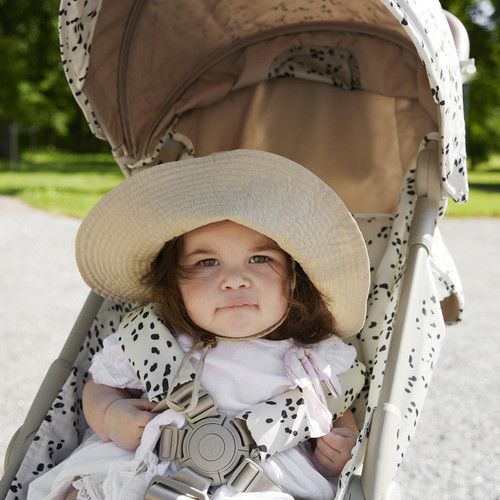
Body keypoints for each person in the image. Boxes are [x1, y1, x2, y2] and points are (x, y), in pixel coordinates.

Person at [28, 149, 370, 500]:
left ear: (294, 278)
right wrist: (112, 416)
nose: (235, 279)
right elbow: (100, 389)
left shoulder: (312, 356)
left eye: (259, 258)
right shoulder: (156, 340)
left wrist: (339, 451)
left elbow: (332, 413)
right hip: (149, 464)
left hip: (259, 482)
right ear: (173, 282)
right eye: (208, 261)